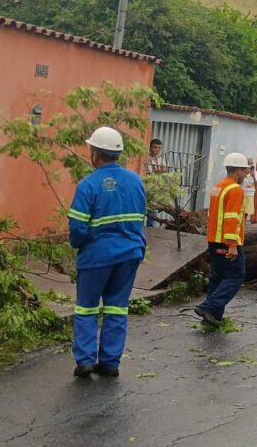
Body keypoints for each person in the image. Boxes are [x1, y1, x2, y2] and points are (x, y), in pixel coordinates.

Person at [68, 126, 147, 378]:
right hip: (129, 254)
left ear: (95, 153)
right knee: (116, 308)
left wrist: (79, 245)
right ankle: (110, 362)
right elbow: (140, 218)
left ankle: (85, 361)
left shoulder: (88, 184)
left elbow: (78, 228)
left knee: (87, 308)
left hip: (96, 257)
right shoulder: (136, 181)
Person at [193, 152, 250, 327]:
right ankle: (209, 307)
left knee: (218, 277)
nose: (246, 174)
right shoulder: (235, 189)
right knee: (236, 275)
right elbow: (231, 218)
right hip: (227, 242)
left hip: (214, 240)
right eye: (245, 170)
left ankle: (213, 317)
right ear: (237, 170)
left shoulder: (218, 187)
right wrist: (232, 245)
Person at [142, 138, 167, 227]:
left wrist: (161, 171)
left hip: (154, 189)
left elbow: (164, 170)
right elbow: (146, 173)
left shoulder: (159, 159)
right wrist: (156, 172)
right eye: (155, 147)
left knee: (152, 213)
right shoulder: (145, 158)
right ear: (150, 147)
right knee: (142, 210)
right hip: (144, 187)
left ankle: (151, 231)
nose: (157, 150)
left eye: (159, 148)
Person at [241, 158, 257, 224]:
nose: (250, 165)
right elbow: (239, 181)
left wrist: (253, 176)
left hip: (250, 194)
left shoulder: (255, 172)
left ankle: (244, 226)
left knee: (246, 212)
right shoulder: (243, 171)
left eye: (252, 163)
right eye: (249, 163)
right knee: (241, 211)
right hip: (242, 193)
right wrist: (246, 173)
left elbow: (256, 185)